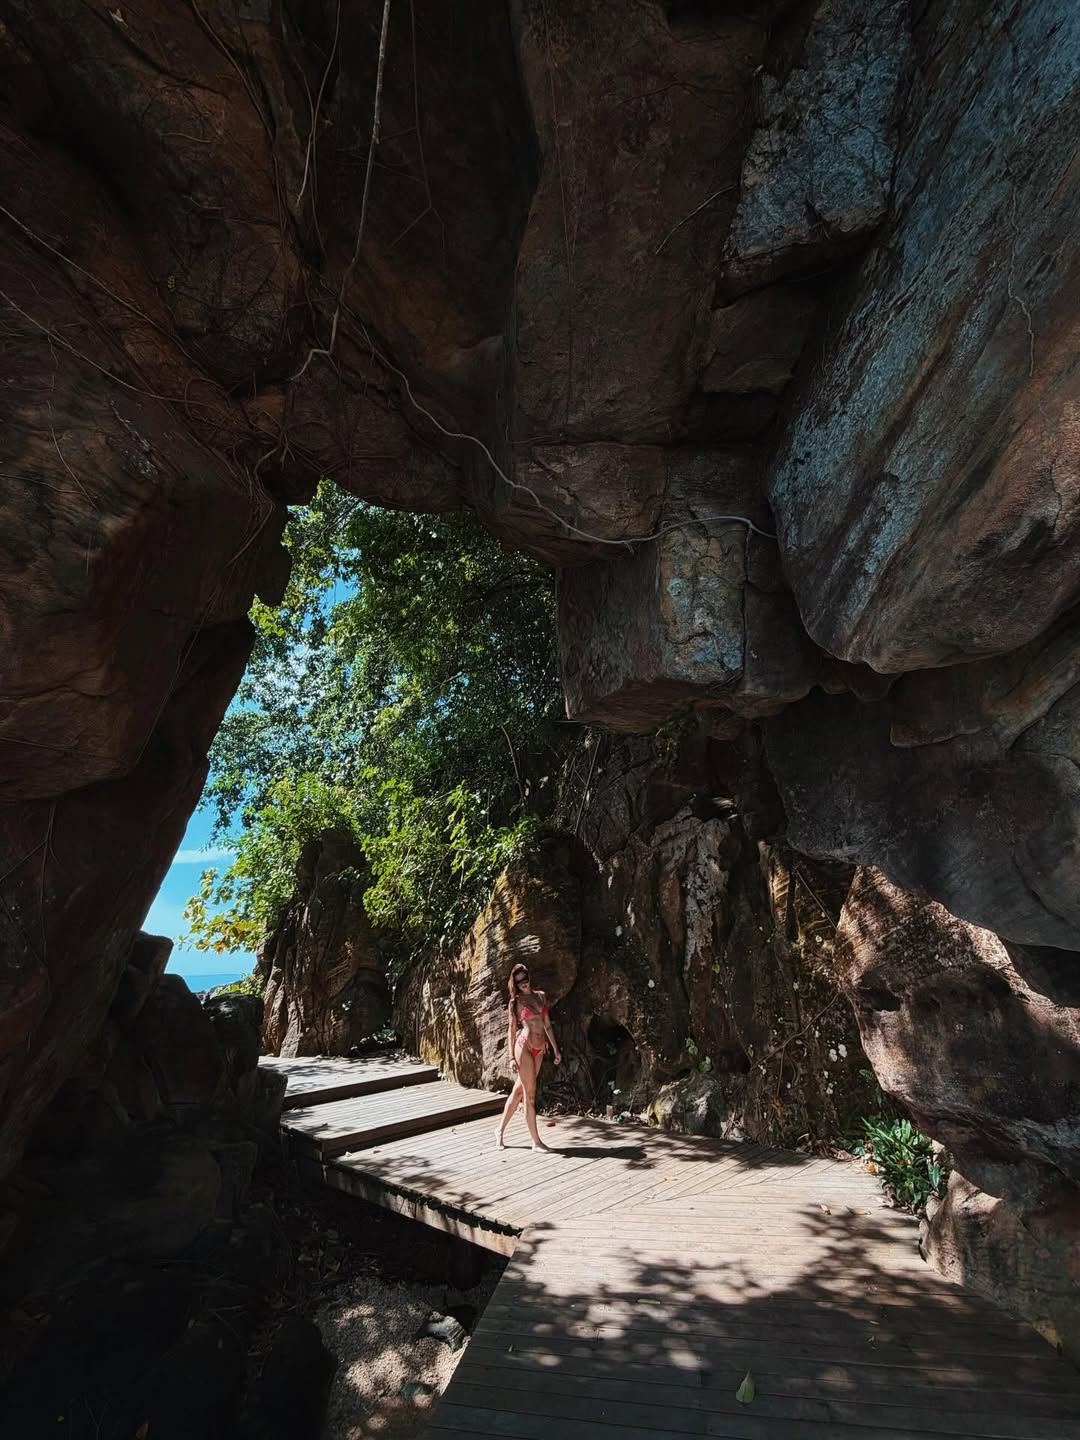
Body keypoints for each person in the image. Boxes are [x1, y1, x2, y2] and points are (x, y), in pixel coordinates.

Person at [494, 962, 561, 1150]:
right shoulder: (516, 1003)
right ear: (515, 985)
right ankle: (536, 1142)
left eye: (524, 979)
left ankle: (499, 1130)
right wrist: (511, 1057)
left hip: (540, 1048)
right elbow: (511, 1030)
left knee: (518, 1092)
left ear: (529, 977)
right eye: (518, 982)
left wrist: (555, 1049)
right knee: (529, 1096)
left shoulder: (541, 997)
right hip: (523, 1047)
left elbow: (547, 1025)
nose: (523, 984)